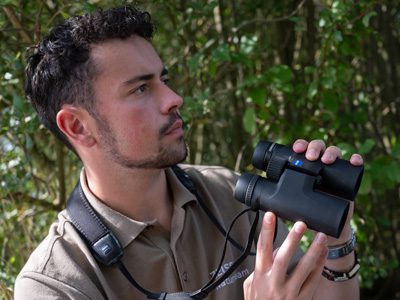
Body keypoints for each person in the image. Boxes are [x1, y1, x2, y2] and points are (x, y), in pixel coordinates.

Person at [14, 5, 363, 300]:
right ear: (77, 126)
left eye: (163, 80)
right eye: (140, 89)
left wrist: (335, 244)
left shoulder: (231, 196)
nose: (173, 98)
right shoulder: (55, 282)